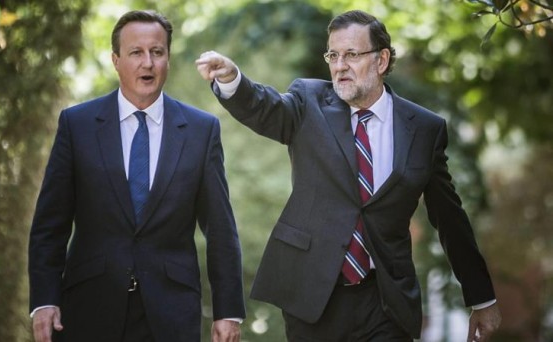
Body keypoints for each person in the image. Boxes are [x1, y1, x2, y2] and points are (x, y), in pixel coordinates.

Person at [196, 9, 501, 342]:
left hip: (385, 299)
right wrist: (231, 80)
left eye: (352, 55)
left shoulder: (424, 130)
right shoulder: (308, 102)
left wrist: (482, 298)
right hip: (312, 296)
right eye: (333, 55)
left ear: (381, 60)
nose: (339, 65)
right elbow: (266, 107)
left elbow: (450, 218)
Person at [28, 10, 245, 342]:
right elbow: (50, 224)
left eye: (157, 52)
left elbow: (220, 228)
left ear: (168, 59)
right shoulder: (77, 125)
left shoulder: (202, 131)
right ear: (116, 60)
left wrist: (228, 310)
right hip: (89, 307)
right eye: (136, 53)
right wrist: (44, 300)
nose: (148, 63)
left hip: (171, 312)